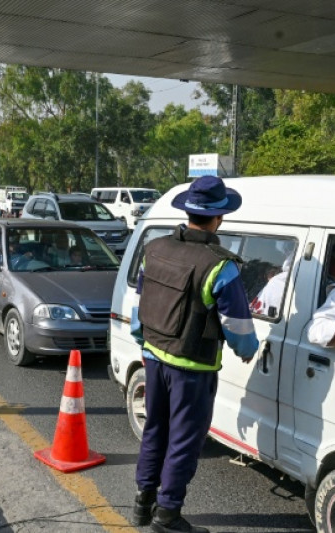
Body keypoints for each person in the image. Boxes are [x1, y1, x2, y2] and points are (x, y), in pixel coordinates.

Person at [129, 175, 259, 533]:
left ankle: (143, 503)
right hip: (192, 366)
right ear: (219, 218)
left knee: (155, 429)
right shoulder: (220, 265)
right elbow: (238, 326)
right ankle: (167, 516)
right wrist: (248, 351)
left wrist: (143, 341)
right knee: (184, 439)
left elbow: (143, 303)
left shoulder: (154, 249)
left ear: (188, 211)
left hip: (154, 355)